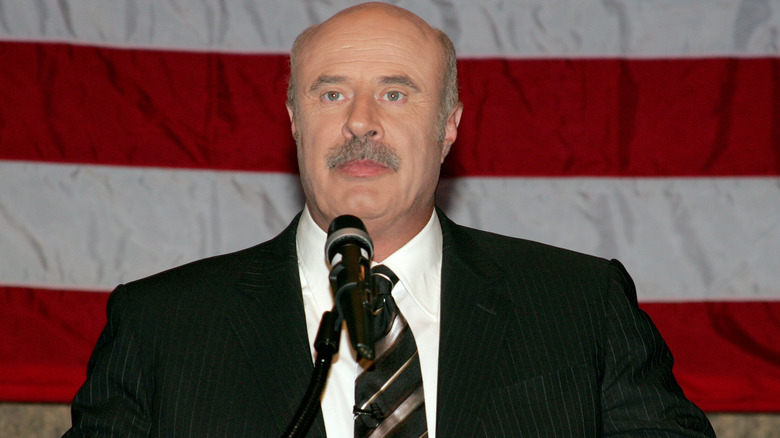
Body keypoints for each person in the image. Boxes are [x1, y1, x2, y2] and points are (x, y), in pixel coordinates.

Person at [65, 2, 715, 437]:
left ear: (449, 124)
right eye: (332, 92)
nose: (361, 121)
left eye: (396, 93)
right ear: (295, 122)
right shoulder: (162, 326)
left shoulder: (580, 309)